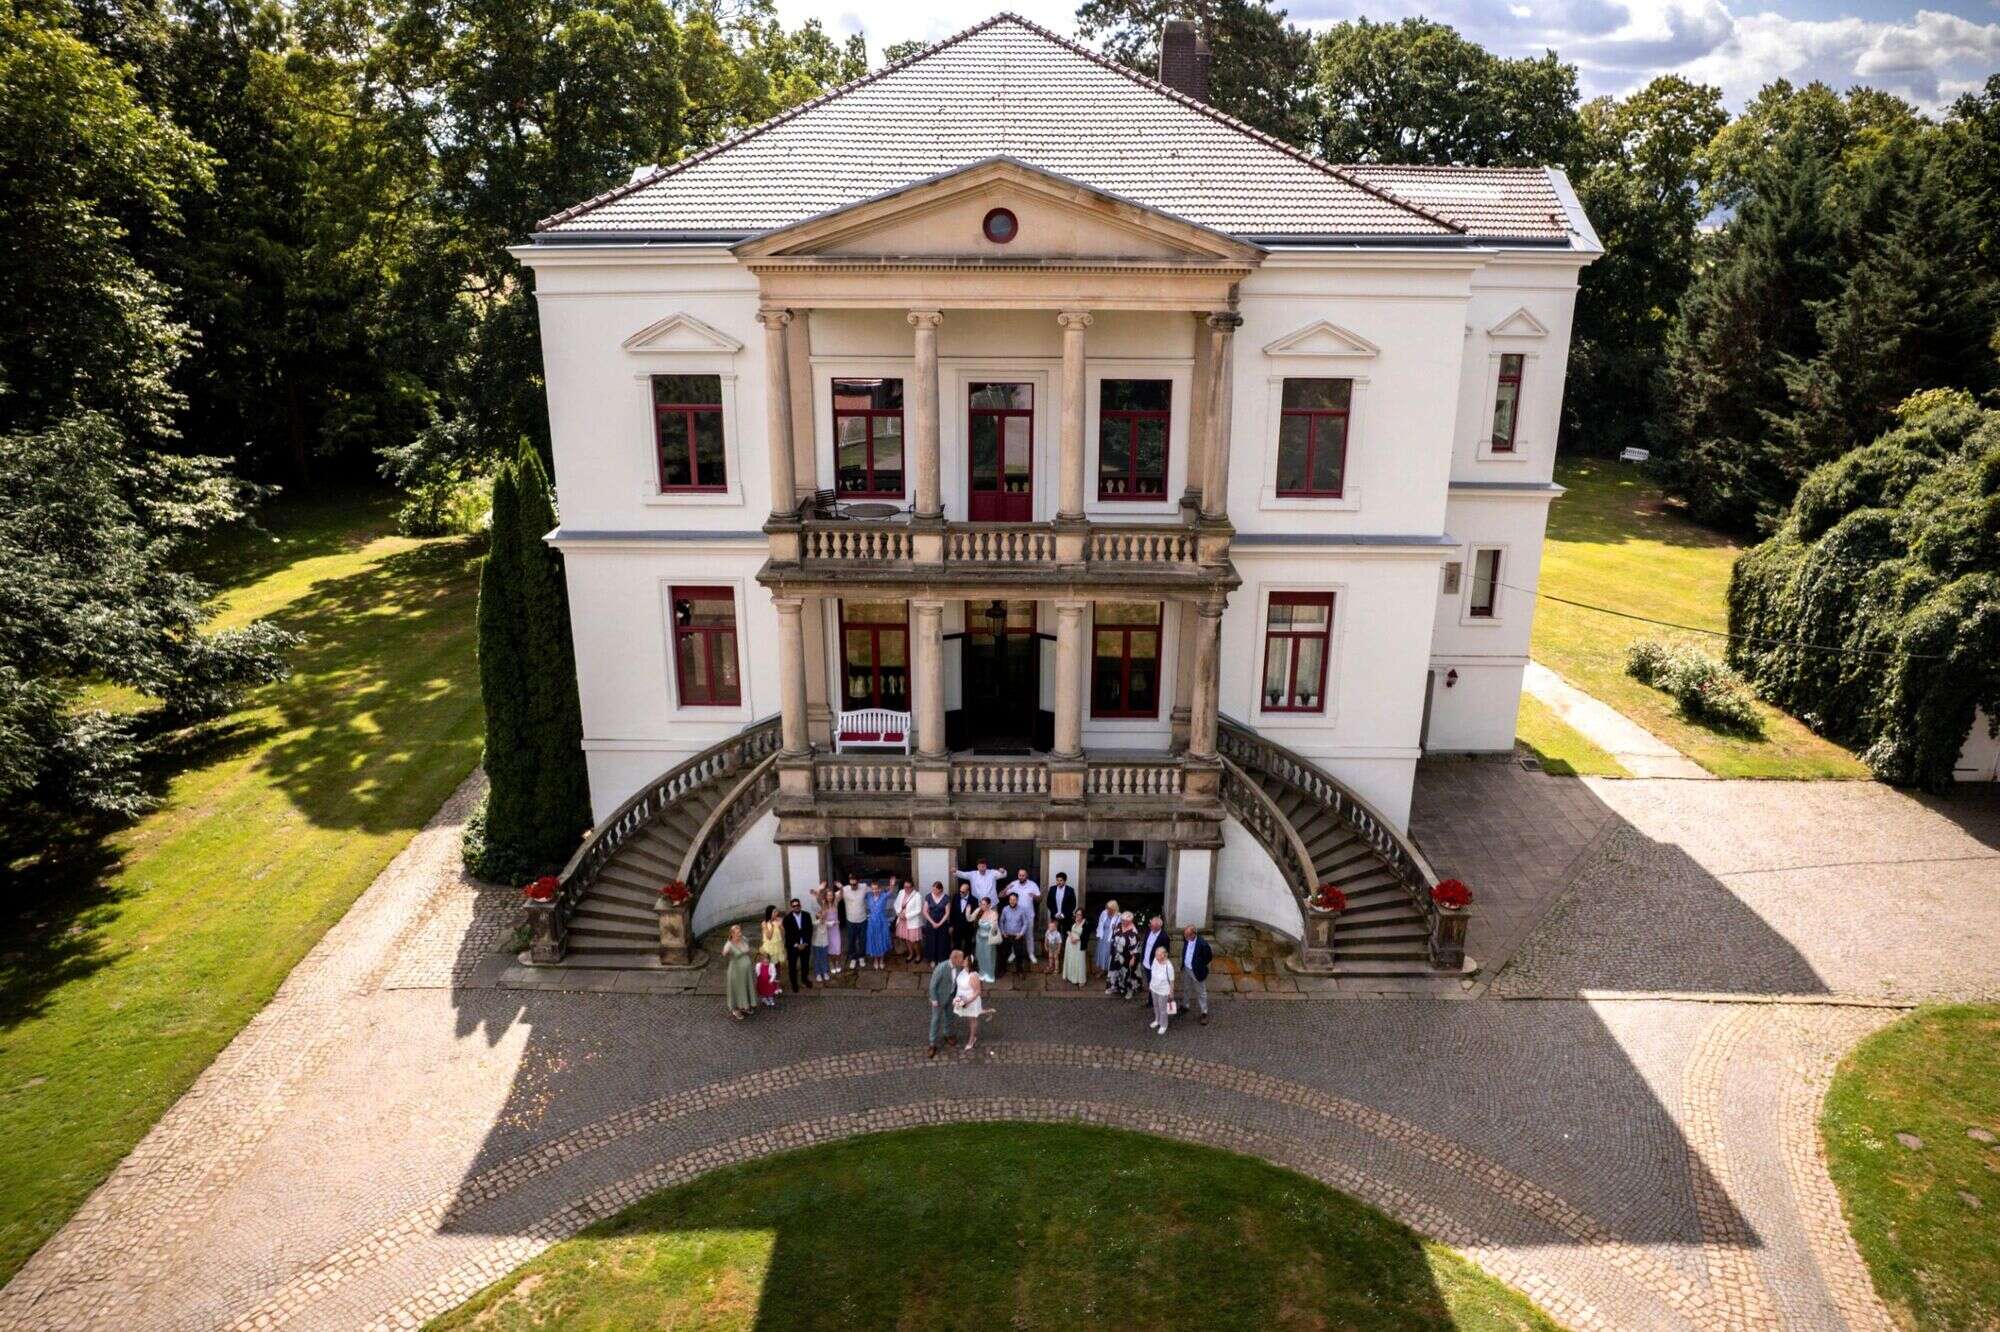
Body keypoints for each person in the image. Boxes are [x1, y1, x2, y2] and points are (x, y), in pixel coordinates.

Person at [927, 948, 965, 1057]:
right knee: (936, 1020)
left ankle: (948, 1034)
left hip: (951, 996)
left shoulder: (959, 967)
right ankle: (932, 1043)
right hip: (939, 999)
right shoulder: (941, 968)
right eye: (961, 959)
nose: (962, 961)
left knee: (950, 1016)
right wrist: (934, 999)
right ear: (954, 959)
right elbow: (932, 985)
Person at [1179, 925, 1212, 1026]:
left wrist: (1199, 966)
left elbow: (1208, 957)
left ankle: (1204, 1013)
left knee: (1201, 992)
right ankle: (1185, 1006)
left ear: (1193, 934)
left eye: (1187, 935)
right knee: (1186, 988)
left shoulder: (1203, 944)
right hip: (1186, 969)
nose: (1185, 937)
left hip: (1197, 971)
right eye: (1185, 935)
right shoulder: (1186, 939)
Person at [1008, 868, 1042, 962]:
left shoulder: (1032, 884)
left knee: (1029, 936)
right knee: (1015, 935)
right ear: (1018, 875)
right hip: (1016, 915)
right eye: (1020, 875)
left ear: (1026, 876)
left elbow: (1040, 899)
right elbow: (1001, 895)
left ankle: (1031, 954)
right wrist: (1007, 888)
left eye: (1023, 875)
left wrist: (1034, 896)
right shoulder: (1014, 884)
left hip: (1029, 915)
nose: (1021, 877)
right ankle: (1013, 953)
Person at [722, 924, 755, 1020]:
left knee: (745, 987)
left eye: (740, 931)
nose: (740, 934)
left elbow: (748, 949)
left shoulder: (744, 939)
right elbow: (724, 953)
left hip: (746, 971)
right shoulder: (729, 944)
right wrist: (727, 951)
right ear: (732, 934)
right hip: (736, 972)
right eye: (737, 933)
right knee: (737, 989)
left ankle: (745, 1005)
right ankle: (736, 1009)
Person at [953, 960, 986, 1052]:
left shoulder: (973, 975)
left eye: (965, 959)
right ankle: (973, 1035)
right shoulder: (963, 971)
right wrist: (957, 999)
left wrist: (967, 1001)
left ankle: (972, 1039)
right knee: (969, 1019)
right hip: (962, 998)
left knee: (972, 1020)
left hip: (971, 1001)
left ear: (969, 962)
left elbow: (978, 991)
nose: (962, 960)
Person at [782, 898, 814, 991]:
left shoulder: (807, 915)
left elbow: (810, 930)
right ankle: (794, 984)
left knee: (805, 965)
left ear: (800, 905)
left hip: (805, 945)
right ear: (791, 907)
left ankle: (804, 979)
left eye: (798, 905)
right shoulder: (787, 919)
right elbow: (788, 935)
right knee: (792, 967)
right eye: (794, 906)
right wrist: (797, 945)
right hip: (793, 947)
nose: (796, 907)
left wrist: (805, 943)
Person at [1105, 912, 1140, 999]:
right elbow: (1114, 936)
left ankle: (1129, 990)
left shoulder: (1133, 932)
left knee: (1127, 974)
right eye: (1122, 920)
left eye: (1124, 920)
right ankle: (1114, 987)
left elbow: (1135, 948)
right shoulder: (1119, 926)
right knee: (1114, 971)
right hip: (1116, 955)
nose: (1122, 921)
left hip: (1127, 957)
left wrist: (1133, 958)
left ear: (1130, 921)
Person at [998, 891, 1033, 977]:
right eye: (1010, 899)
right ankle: (1002, 969)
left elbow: (1025, 923)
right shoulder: (1005, 909)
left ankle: (1019, 971)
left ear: (1017, 900)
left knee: (1019, 955)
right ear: (1009, 900)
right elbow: (1001, 921)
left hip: (1017, 936)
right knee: (1003, 954)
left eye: (1014, 900)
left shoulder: (1022, 910)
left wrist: (1021, 934)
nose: (1012, 901)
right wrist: (1003, 932)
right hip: (1006, 935)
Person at [1136, 915, 1170, 1003]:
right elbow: (1145, 945)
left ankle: (1154, 1001)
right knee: (1150, 982)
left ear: (1159, 927)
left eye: (1153, 927)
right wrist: (1142, 958)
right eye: (1151, 925)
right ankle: (1152, 999)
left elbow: (1165, 953)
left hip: (1155, 965)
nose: (1150, 927)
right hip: (1146, 963)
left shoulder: (1164, 937)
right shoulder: (1149, 931)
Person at [1147, 944, 1176, 1035]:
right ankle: (1157, 1020)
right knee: (1155, 1005)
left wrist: (1171, 993)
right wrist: (1150, 985)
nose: (1156, 957)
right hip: (1154, 988)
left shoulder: (1169, 966)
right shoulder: (1155, 960)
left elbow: (1171, 981)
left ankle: (1164, 1025)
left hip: (1163, 990)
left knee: (1162, 1008)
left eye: (1158, 955)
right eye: (1156, 954)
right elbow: (1152, 973)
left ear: (1164, 955)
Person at [921, 881, 953, 963]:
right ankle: (932, 959)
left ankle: (941, 959)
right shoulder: (928, 896)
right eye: (933, 889)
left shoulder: (946, 898)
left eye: (935, 890)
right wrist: (933, 923)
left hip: (942, 923)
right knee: (931, 941)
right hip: (931, 923)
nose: (933, 891)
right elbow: (924, 911)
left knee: (942, 942)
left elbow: (947, 913)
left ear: (940, 889)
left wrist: (939, 923)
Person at [840, 874, 869, 961]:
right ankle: (853, 958)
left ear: (858, 882)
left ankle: (861, 956)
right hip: (850, 921)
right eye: (851, 884)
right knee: (851, 940)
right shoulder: (845, 889)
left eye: (854, 884)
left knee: (862, 940)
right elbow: (832, 897)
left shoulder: (864, 887)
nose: (852, 886)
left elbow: (876, 890)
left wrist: (890, 887)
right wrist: (820, 893)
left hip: (862, 920)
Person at [864, 879, 893, 969]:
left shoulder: (883, 896)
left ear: (879, 889)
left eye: (876, 888)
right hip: (872, 922)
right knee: (874, 939)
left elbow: (890, 892)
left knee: (882, 939)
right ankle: (876, 959)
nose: (875, 890)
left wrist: (891, 884)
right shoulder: (868, 896)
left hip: (882, 921)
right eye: (873, 889)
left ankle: (881, 959)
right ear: (871, 889)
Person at [895, 878, 924, 962]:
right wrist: (899, 913)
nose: (906, 889)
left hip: (912, 921)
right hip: (902, 921)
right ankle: (911, 954)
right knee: (907, 939)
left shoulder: (917, 895)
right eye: (905, 887)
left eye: (908, 887)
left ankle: (918, 955)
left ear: (912, 887)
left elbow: (918, 910)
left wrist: (906, 916)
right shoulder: (901, 892)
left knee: (914, 940)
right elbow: (896, 904)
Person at [1046, 872, 1077, 948]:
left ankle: (1066, 950)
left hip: (1066, 917)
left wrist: (1064, 914)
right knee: (1055, 934)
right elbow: (1049, 903)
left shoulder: (1070, 890)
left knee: (1067, 934)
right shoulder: (1052, 889)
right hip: (1055, 916)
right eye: (1057, 880)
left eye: (1061, 880)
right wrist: (1055, 913)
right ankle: (1056, 951)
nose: (1058, 882)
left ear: (1065, 881)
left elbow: (1073, 905)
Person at [759, 906, 786, 990]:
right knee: (770, 967)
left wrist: (781, 926)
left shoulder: (779, 920)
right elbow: (769, 936)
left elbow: (783, 935)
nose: (777, 913)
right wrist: (774, 926)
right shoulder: (764, 923)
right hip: (769, 948)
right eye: (774, 912)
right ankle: (769, 985)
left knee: (777, 967)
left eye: (777, 911)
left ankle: (777, 985)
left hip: (778, 947)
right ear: (770, 913)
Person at [974, 899, 1001, 983]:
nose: (982, 906)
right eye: (981, 904)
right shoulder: (979, 912)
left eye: (984, 904)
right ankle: (982, 973)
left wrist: (994, 923)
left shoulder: (993, 913)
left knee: (989, 956)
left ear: (989, 905)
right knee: (980, 955)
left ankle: (990, 974)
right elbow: (971, 919)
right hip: (979, 937)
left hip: (988, 938)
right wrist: (968, 913)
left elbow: (994, 927)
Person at [821, 884, 845, 976]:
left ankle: (838, 963)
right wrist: (830, 923)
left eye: (831, 895)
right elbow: (822, 920)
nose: (830, 897)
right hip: (828, 930)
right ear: (826, 897)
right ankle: (831, 963)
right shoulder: (824, 905)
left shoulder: (835, 903)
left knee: (838, 947)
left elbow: (842, 894)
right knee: (830, 948)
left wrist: (841, 887)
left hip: (835, 930)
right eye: (828, 895)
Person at [1093, 899, 1120, 976]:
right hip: (1103, 936)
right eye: (1107, 908)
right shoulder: (1104, 913)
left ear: (1114, 909)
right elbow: (1100, 923)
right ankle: (1101, 969)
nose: (1107, 910)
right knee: (1101, 953)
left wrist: (1116, 928)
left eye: (1110, 909)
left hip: (1110, 938)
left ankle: (1107, 970)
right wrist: (1099, 934)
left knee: (1108, 954)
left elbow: (1120, 929)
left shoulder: (1118, 916)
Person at [952, 882, 979, 955]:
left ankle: (966, 960)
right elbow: (952, 911)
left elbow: (975, 915)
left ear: (968, 891)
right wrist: (951, 925)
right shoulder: (956, 897)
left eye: (963, 892)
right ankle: (956, 960)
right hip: (957, 926)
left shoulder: (974, 900)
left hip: (968, 927)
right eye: (960, 891)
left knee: (968, 946)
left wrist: (974, 926)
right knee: (956, 945)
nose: (960, 893)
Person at [810, 894, 832, 983]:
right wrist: (820, 919)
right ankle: (818, 973)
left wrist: (835, 922)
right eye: (819, 914)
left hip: (825, 943)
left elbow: (830, 923)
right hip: (816, 944)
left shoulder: (825, 922)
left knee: (824, 957)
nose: (821, 915)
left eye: (822, 914)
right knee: (817, 958)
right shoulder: (815, 923)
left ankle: (825, 971)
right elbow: (816, 923)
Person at [1062, 915, 1087, 986]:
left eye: (1080, 914)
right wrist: (1071, 936)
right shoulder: (1072, 920)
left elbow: (1086, 935)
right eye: (1077, 914)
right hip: (1070, 942)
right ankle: (1069, 976)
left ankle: (1080, 979)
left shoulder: (1086, 923)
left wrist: (1077, 939)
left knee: (1079, 961)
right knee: (1071, 959)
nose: (1078, 916)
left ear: (1083, 915)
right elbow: (1066, 928)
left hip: (1079, 944)